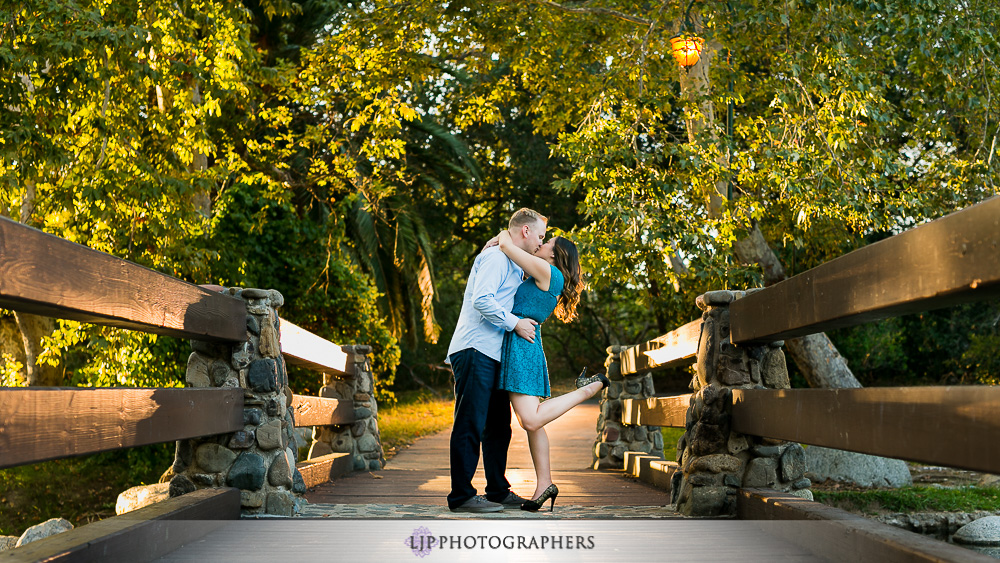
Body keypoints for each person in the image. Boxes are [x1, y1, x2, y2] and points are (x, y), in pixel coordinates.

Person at [494, 229, 609, 512]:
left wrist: (502, 235)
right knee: (534, 424)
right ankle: (544, 483)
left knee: (530, 420)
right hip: (524, 343)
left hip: (522, 345)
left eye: (547, 243)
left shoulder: (548, 272)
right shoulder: (546, 275)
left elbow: (509, 247)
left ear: (555, 255)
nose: (541, 244)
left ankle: (587, 390)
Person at [445, 208, 549, 513]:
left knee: (498, 427)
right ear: (525, 231)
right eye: (540, 237)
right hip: (475, 349)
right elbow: (482, 299)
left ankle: (497, 491)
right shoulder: (495, 258)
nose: (541, 245)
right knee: (470, 423)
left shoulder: (512, 261)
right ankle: (461, 496)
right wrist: (515, 323)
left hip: (493, 354)